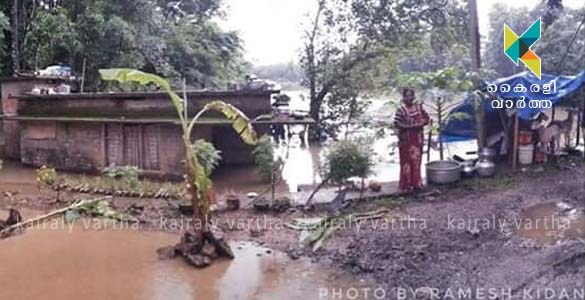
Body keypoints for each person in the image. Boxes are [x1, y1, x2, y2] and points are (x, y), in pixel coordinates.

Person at [393, 88, 430, 192]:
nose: (408, 98)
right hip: (406, 140)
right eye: (406, 96)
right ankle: (406, 185)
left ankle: (417, 183)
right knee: (406, 162)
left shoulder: (419, 108)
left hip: (417, 140)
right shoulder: (401, 110)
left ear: (414, 97)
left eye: (410, 96)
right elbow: (396, 123)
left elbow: (427, 118)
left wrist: (421, 123)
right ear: (403, 98)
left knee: (416, 162)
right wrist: (410, 127)